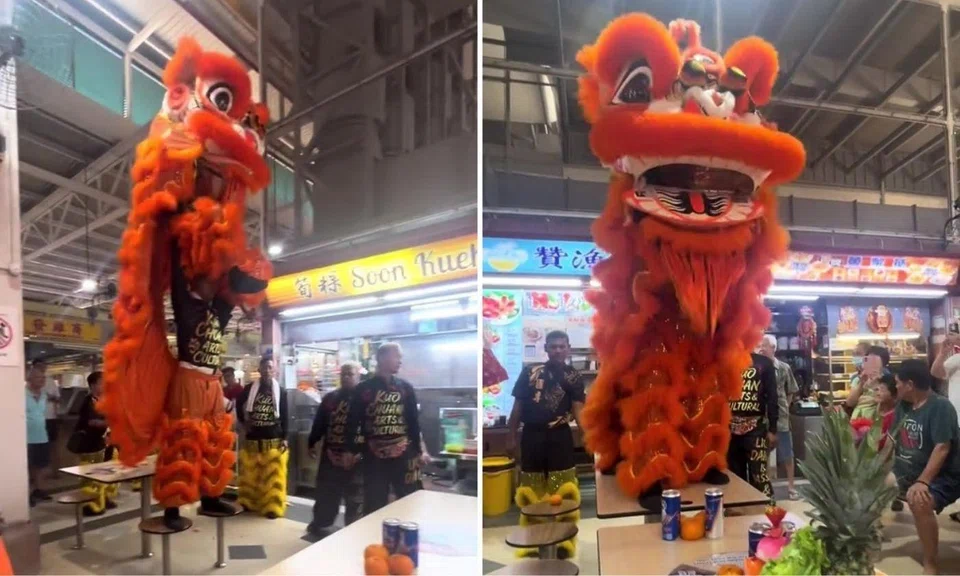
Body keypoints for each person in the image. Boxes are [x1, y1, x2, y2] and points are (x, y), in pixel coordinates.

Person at [507, 330, 585, 559]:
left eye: (562, 346)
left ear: (568, 348)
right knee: (532, 490)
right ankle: (532, 543)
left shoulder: (574, 376)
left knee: (563, 489)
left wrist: (587, 435)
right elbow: (518, 407)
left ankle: (563, 543)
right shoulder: (530, 372)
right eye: (553, 347)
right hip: (531, 436)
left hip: (560, 436)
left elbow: (578, 409)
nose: (558, 350)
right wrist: (511, 436)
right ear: (546, 349)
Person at [888, 359, 960, 575]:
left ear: (910, 384)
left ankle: (931, 562)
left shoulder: (941, 407)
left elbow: (942, 447)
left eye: (898, 383)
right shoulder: (903, 405)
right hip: (906, 470)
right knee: (870, 486)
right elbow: (893, 439)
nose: (896, 387)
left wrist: (923, 481)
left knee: (919, 501)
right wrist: (874, 468)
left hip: (942, 475)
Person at [345, 343, 429, 515]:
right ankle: (373, 531)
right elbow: (352, 422)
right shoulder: (364, 389)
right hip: (373, 455)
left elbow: (413, 422)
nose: (400, 361)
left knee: (409, 498)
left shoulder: (405, 388)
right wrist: (349, 450)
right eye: (397, 356)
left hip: (403, 452)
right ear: (382, 358)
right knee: (374, 502)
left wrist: (420, 450)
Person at [306, 361, 364, 536]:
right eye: (343, 374)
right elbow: (319, 423)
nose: (346, 377)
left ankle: (354, 533)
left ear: (358, 376)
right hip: (331, 455)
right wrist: (312, 442)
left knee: (356, 499)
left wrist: (361, 454)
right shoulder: (330, 398)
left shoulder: (366, 399)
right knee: (326, 494)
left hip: (357, 459)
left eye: (350, 374)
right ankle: (320, 525)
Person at [236, 354, 289, 519]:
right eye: (264, 367)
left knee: (273, 477)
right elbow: (238, 404)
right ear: (259, 370)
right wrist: (244, 422)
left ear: (274, 370)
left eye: (270, 367)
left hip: (273, 437)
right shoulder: (249, 389)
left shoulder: (281, 391)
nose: (267, 370)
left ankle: (272, 507)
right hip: (253, 437)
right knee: (251, 475)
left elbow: (285, 416)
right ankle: (249, 502)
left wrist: (285, 437)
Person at [67, 371, 119, 515]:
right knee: (91, 475)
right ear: (93, 385)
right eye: (101, 382)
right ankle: (90, 505)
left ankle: (104, 498)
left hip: (105, 444)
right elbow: (91, 422)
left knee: (105, 472)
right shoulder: (88, 402)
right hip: (90, 445)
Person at [728, 352, 779, 497]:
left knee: (759, 474)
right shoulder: (726, 361)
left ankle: (767, 508)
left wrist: (773, 429)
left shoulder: (764, 363)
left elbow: (772, 397)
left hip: (756, 427)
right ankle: (740, 507)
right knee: (734, 476)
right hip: (730, 428)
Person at [759, 334, 800, 499]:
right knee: (763, 454)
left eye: (764, 345)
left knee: (787, 453)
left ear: (773, 348)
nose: (761, 349)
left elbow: (791, 390)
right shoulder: (757, 368)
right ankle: (766, 487)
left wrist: (785, 407)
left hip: (781, 418)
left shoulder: (783, 368)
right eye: (760, 345)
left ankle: (791, 487)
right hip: (763, 417)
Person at [25, 360, 52, 507]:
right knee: (28, 468)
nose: (42, 380)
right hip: (26, 438)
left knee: (42, 466)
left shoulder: (44, 395)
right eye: (38, 377)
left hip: (42, 436)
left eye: (43, 377)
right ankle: (27, 494)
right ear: (29, 379)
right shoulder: (22, 394)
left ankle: (38, 490)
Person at [845, 345, 890, 419]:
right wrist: (861, 384)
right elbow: (850, 403)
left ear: (883, 362)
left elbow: (887, 403)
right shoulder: (858, 380)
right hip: (857, 420)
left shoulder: (887, 380)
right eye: (868, 359)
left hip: (877, 421)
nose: (870, 363)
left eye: (874, 360)